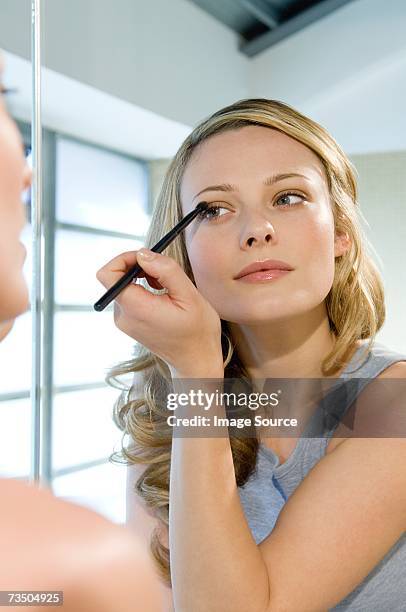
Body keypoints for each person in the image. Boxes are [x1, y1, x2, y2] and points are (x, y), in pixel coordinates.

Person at [96, 98, 406, 611]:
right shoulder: (161, 403)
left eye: (288, 197)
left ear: (342, 233)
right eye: (214, 209)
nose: (256, 230)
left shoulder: (392, 401)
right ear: (182, 253)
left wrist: (197, 376)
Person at [0, 54, 161, 611]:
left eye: (290, 197)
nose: (28, 174)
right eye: (210, 210)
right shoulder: (69, 570)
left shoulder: (384, 391)